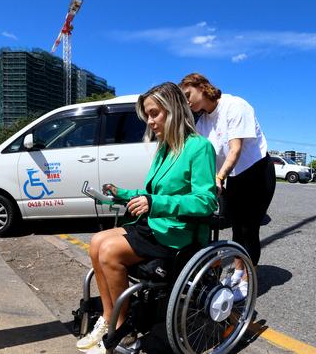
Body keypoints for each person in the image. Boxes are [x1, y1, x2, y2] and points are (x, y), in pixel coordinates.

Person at [76, 82, 217, 353]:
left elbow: (206, 201)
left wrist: (155, 203)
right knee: (96, 242)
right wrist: (121, 194)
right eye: (148, 116)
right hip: (155, 225)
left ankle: (121, 328)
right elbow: (153, 192)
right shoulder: (165, 148)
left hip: (177, 233)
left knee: (109, 252)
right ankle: (108, 319)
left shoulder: (200, 148)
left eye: (154, 114)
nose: (150, 122)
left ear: (174, 110)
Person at [180, 73, 276, 301]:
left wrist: (219, 177)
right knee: (235, 228)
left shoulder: (235, 106)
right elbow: (203, 155)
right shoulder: (202, 121)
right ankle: (237, 269)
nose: (187, 102)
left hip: (257, 172)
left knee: (249, 229)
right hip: (231, 177)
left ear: (202, 88)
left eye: (188, 95)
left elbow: (235, 149)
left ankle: (246, 281)